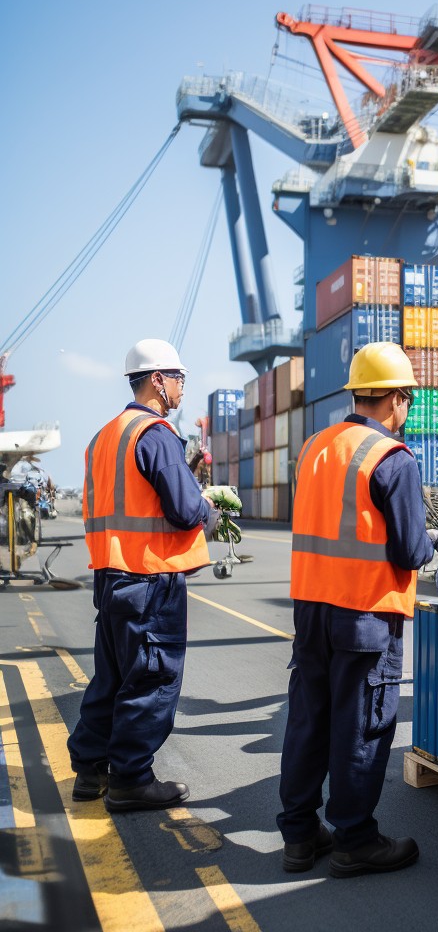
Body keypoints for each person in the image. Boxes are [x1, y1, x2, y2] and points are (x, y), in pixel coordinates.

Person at [278, 341, 434, 877]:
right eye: (408, 399)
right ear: (394, 398)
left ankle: (299, 836)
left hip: (311, 609)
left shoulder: (316, 446)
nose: (407, 409)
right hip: (365, 613)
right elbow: (412, 550)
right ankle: (355, 840)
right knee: (362, 726)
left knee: (308, 720)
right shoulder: (392, 457)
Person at [68, 339, 216, 812]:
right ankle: (131, 778)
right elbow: (184, 508)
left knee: (111, 678)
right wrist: (209, 509)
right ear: (157, 380)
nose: (181, 389)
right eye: (178, 379)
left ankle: (90, 769)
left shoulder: (104, 436)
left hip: (111, 577)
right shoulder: (154, 434)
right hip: (151, 580)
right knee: (151, 681)